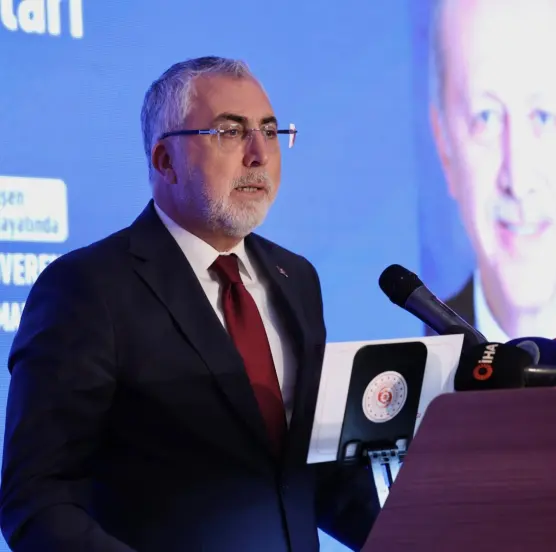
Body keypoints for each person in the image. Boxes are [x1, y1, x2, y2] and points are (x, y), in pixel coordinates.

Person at [0, 57, 378, 552]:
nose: (259, 155)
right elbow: (37, 499)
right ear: (165, 161)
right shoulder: (88, 288)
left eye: (270, 131)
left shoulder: (297, 278)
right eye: (230, 132)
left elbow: (313, 477)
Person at [428, 0, 556, 341]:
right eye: (485, 118)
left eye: (543, 117)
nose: (518, 180)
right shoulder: (414, 357)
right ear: (445, 148)